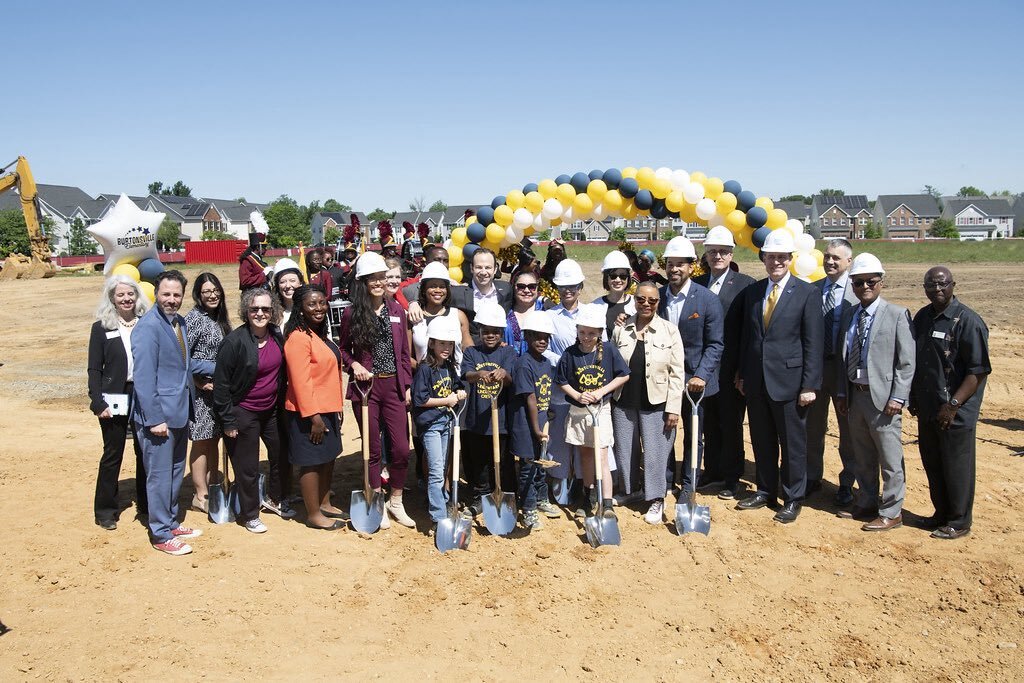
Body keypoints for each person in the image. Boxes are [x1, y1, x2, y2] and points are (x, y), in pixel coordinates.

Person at [731, 230, 823, 524]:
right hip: (758, 382)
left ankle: (793, 497)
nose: (776, 262)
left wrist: (809, 384)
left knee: (793, 444)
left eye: (781, 257)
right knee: (762, 439)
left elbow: (813, 342)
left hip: (791, 383)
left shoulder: (807, 293)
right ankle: (766, 489)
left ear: (790, 259)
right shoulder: (755, 292)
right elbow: (749, 338)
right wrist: (743, 374)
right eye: (771, 257)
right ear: (765, 259)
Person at [834, 254, 915, 532]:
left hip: (883, 400)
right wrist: (843, 394)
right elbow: (843, 358)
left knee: (890, 458)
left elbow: (906, 362)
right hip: (856, 396)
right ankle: (867, 502)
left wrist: (898, 396)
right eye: (858, 283)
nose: (864, 287)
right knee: (862, 455)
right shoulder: (849, 315)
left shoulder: (896, 315)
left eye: (871, 281)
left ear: (881, 282)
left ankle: (892, 511)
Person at [910, 266, 990, 540]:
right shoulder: (923, 317)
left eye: (943, 284)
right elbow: (918, 362)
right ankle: (941, 513)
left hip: (955, 412)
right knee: (933, 463)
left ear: (953, 285)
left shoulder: (968, 321)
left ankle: (959, 521)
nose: (937, 290)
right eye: (931, 285)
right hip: (929, 408)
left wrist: (953, 404)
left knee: (957, 467)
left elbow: (978, 371)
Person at [339, 251, 415, 528]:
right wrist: (355, 364)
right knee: (372, 451)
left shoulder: (397, 311)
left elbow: (404, 354)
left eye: (382, 277)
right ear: (362, 281)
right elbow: (343, 350)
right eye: (373, 278)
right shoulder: (351, 313)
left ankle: (396, 500)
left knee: (401, 449)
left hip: (393, 386)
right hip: (366, 390)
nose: (379, 282)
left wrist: (406, 385)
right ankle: (377, 500)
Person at [131, 270, 202, 555]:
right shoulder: (148, 327)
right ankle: (160, 534)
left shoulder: (178, 322)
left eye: (176, 295)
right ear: (156, 294)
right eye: (166, 294)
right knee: (159, 476)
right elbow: (144, 378)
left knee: (174, 472)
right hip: (159, 418)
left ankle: (170, 522)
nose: (171, 300)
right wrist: (154, 418)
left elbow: (183, 366)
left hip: (179, 412)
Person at [213, 289, 291, 533]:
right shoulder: (234, 342)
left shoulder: (277, 334)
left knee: (281, 454)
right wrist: (228, 420)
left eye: (266, 309)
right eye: (254, 309)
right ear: (246, 311)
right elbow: (222, 385)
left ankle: (276, 497)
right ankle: (249, 514)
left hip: (271, 410)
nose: (260, 313)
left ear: (273, 312)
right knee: (247, 466)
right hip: (243, 411)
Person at [611, 283, 684, 523]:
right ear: (634, 300)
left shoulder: (669, 331)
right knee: (625, 450)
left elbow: (677, 373)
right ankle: (630, 491)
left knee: (655, 454)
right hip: (624, 401)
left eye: (651, 301)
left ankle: (656, 499)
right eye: (641, 299)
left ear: (658, 303)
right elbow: (611, 364)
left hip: (657, 403)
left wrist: (673, 408)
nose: (646, 304)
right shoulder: (621, 329)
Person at [657, 236, 723, 497]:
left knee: (694, 434)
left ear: (692, 266)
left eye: (680, 264)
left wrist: (701, 376)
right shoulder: (657, 298)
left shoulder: (707, 299)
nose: (674, 269)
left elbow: (715, 344)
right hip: (665, 381)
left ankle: (689, 484)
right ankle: (664, 479)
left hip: (695, 381)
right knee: (666, 432)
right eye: (670, 264)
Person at [693, 227, 755, 499]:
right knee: (709, 423)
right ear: (705, 255)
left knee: (730, 424)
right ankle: (713, 471)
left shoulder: (745, 284)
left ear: (731, 254)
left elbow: (748, 333)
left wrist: (742, 370)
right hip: (704, 368)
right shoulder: (698, 284)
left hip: (730, 369)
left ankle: (732, 477)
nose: (717, 256)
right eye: (712, 251)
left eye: (722, 251)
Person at [556, 304, 630, 519]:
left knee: (602, 455)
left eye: (591, 333)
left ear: (599, 334)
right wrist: (577, 395)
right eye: (582, 332)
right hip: (579, 411)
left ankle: (606, 503)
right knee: (586, 454)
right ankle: (587, 497)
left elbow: (623, 374)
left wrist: (601, 391)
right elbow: (561, 380)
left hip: (600, 410)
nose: (586, 337)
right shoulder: (570, 353)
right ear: (577, 332)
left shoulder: (608, 351)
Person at [88, 275, 150, 530]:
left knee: (144, 450)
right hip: (115, 394)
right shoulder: (102, 327)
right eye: (120, 295)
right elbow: (94, 368)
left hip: (143, 392)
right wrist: (97, 400)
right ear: (112, 298)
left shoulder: (147, 324)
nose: (126, 299)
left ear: (137, 296)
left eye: (130, 294)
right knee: (113, 452)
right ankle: (105, 510)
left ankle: (147, 505)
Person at [283, 285, 347, 530]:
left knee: (327, 457)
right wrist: (314, 417)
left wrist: (335, 408)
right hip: (308, 414)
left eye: (322, 302)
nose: (319, 308)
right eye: (312, 304)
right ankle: (313, 514)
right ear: (300, 308)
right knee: (311, 460)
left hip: (327, 408)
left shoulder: (318, 334)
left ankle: (325, 502)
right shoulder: (298, 337)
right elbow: (301, 382)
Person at [806, 238, 860, 506]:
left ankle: (847, 482)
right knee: (812, 427)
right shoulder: (812, 290)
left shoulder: (858, 290)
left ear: (849, 262)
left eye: (836, 258)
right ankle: (811, 476)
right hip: (816, 370)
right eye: (827, 256)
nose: (829, 261)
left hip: (843, 371)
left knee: (847, 430)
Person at [459, 303, 518, 517]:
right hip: (478, 419)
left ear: (501, 333)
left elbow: (512, 380)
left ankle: (503, 494)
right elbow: (466, 375)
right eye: (486, 331)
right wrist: (479, 374)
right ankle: (480, 497)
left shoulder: (508, 353)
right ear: (480, 332)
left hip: (501, 420)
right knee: (480, 463)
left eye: (495, 331)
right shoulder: (472, 353)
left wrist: (504, 373)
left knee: (501, 461)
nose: (490, 335)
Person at [411, 317, 466, 535]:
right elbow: (420, 400)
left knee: (442, 468)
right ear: (431, 343)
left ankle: (443, 502)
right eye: (442, 343)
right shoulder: (425, 369)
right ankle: (438, 517)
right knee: (435, 472)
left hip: (446, 422)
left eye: (450, 344)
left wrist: (460, 392)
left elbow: (457, 387)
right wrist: (447, 401)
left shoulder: (449, 367)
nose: (446, 348)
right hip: (431, 425)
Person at [183, 273, 231, 513]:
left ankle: (213, 487)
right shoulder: (194, 319)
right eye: (206, 292)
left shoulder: (218, 317)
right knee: (202, 442)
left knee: (214, 439)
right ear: (198, 295)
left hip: (219, 391)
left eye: (215, 291)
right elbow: (182, 356)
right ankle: (199, 494)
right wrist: (199, 381)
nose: (212, 295)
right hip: (202, 393)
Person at [509, 310, 560, 530]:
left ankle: (541, 499)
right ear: (527, 337)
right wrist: (537, 428)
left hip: (541, 423)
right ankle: (528, 508)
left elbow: (544, 393)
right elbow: (530, 398)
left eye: (545, 337)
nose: (542, 341)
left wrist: (546, 414)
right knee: (529, 467)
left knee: (541, 465)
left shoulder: (546, 363)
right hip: (526, 426)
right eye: (537, 336)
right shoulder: (523, 364)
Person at [543, 259, 587, 504]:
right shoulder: (549, 316)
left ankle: (581, 482)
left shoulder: (590, 313)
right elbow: (544, 348)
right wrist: (565, 361)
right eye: (562, 287)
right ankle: (559, 480)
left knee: (581, 437)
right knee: (558, 438)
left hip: (584, 389)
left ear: (580, 286)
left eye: (572, 286)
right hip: (558, 388)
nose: (568, 291)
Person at [410, 261, 472, 367]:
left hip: (456, 381)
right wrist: (425, 372)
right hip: (426, 381)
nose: (438, 290)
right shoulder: (413, 317)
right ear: (424, 289)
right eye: (433, 286)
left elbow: (469, 349)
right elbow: (406, 356)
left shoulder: (458, 315)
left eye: (442, 287)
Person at [451, 247, 514, 343]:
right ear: (472, 268)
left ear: (495, 269)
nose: (483, 272)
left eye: (488, 267)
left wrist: (543, 300)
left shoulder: (506, 289)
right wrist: (418, 305)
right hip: (469, 353)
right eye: (479, 267)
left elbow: (524, 300)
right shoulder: (456, 293)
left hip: (498, 352)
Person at [592, 250, 636, 336]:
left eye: (623, 276)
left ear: (628, 278)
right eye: (613, 276)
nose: (618, 280)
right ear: (606, 278)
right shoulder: (595, 306)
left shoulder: (637, 304)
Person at [503, 269, 545, 356]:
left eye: (532, 286)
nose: (526, 290)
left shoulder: (545, 310)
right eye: (521, 286)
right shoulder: (505, 311)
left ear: (537, 288)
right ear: (514, 287)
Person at [273, 258, 304, 328]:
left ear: (300, 282)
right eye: (282, 282)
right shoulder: (272, 313)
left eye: (292, 280)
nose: (288, 286)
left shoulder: (312, 309)